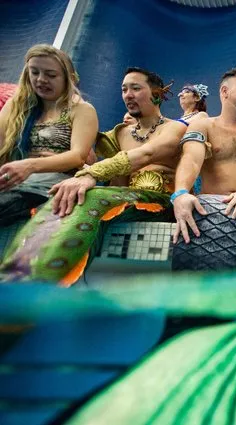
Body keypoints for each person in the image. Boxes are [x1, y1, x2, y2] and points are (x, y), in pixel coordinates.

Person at [1, 67, 187, 284]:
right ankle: (23, 277)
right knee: (72, 195)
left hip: (164, 205)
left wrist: (92, 173)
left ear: (157, 93)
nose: (128, 94)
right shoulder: (118, 134)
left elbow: (147, 153)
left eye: (136, 88)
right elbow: (98, 168)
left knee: (93, 195)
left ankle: (28, 284)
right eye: (124, 89)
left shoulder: (176, 128)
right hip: (124, 202)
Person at [171, 67, 236, 271]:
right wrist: (181, 193)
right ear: (224, 92)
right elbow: (191, 159)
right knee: (194, 209)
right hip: (209, 202)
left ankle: (223, 294)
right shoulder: (203, 126)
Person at [0, 44, 97, 226]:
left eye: (51, 75)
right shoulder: (15, 106)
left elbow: (78, 156)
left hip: (50, 187)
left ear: (68, 79)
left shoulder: (81, 110)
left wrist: (30, 165)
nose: (41, 79)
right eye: (34, 72)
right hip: (12, 185)